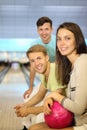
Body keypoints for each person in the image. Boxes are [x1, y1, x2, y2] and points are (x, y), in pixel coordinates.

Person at [28, 22, 87, 130]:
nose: (62, 43)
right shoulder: (69, 65)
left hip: (83, 124)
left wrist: (54, 96)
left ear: (77, 40)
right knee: (34, 128)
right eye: (59, 39)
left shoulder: (83, 61)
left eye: (67, 38)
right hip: (74, 119)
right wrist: (52, 95)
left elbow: (78, 108)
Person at [14, 44, 66, 130]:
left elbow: (52, 107)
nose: (36, 63)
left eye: (39, 58)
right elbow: (39, 95)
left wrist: (28, 110)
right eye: (32, 61)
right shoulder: (45, 73)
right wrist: (24, 105)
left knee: (38, 119)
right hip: (62, 110)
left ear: (47, 58)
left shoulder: (56, 72)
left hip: (69, 113)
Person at [23, 16, 56, 99]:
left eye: (46, 29)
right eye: (41, 29)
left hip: (58, 73)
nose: (44, 32)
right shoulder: (34, 44)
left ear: (51, 29)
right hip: (45, 74)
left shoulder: (58, 41)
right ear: (37, 31)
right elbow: (33, 67)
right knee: (29, 98)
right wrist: (30, 88)